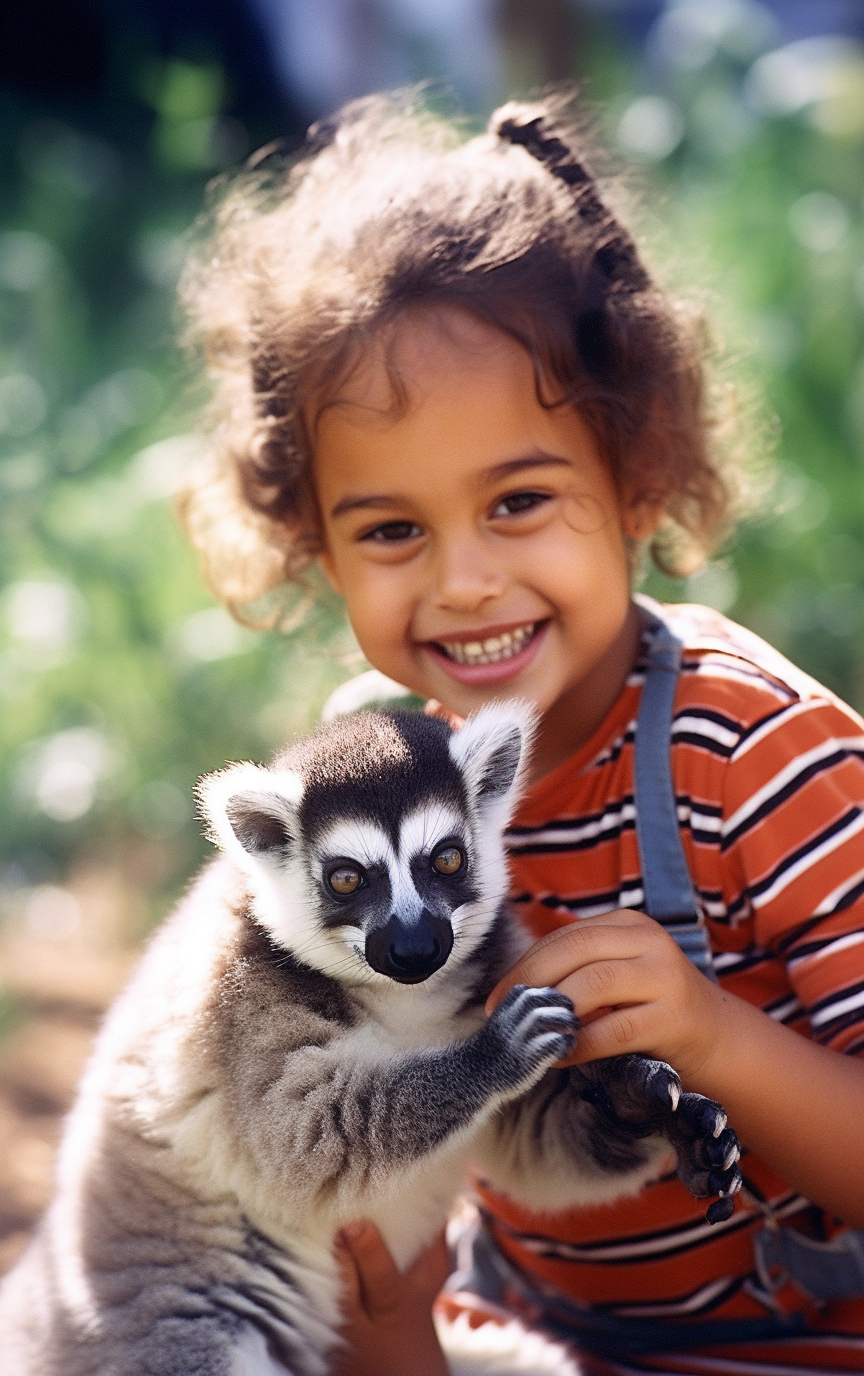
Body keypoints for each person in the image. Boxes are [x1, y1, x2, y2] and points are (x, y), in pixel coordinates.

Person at [178, 91, 864, 1374]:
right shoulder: (367, 773)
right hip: (514, 1325)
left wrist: (713, 1038)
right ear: (313, 545)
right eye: (391, 530)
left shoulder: (754, 756)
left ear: (637, 477)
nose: (464, 583)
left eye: (521, 500)